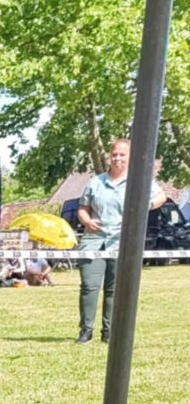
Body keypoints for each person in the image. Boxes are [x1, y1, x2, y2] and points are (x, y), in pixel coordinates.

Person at [76, 138, 166, 343]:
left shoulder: (139, 180)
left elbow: (161, 197)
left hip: (122, 243)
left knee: (114, 289)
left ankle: (109, 331)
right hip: (93, 241)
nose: (117, 158)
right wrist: (87, 220)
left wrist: (147, 204)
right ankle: (85, 330)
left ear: (130, 157)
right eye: (114, 154)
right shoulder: (96, 181)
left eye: (122, 155)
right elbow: (83, 208)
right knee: (89, 285)